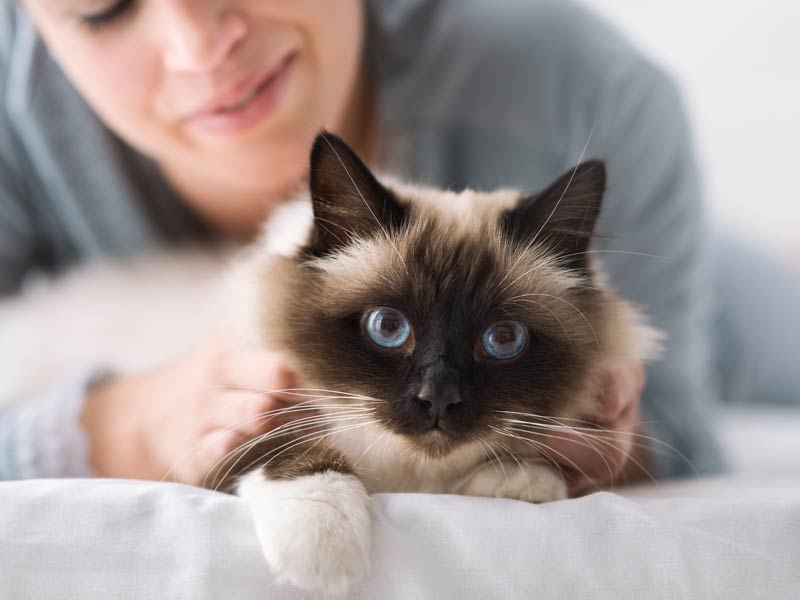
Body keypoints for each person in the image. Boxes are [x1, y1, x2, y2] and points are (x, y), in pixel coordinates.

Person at [0, 0, 795, 491]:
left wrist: (610, 442)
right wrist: (124, 426)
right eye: (102, 7)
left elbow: (685, 438)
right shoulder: (13, 118)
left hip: (725, 298)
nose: (200, 47)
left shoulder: (584, 83)